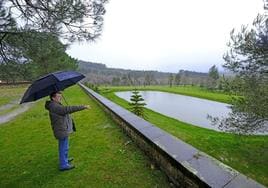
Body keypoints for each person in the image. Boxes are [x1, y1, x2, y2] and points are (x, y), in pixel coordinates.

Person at [45, 91, 90, 171]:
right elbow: (68, 109)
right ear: (53, 98)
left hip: (62, 129)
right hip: (61, 130)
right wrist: (83, 107)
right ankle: (63, 165)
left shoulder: (54, 104)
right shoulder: (55, 107)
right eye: (58, 97)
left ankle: (64, 160)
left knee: (65, 146)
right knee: (63, 147)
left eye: (61, 96)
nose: (60, 98)